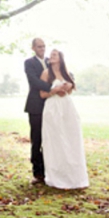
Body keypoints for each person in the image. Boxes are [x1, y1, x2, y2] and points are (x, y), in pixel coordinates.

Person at [40, 49, 89, 189]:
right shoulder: (46, 73)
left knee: (71, 139)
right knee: (55, 141)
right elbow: (42, 94)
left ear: (60, 58)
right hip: (52, 108)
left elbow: (72, 90)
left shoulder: (66, 73)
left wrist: (68, 87)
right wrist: (55, 90)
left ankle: (74, 177)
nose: (51, 56)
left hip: (67, 108)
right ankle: (57, 177)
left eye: (54, 55)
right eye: (51, 55)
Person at [23, 38, 68, 185]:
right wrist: (53, 89)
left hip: (53, 106)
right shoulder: (29, 63)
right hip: (36, 105)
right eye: (39, 47)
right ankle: (38, 173)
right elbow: (34, 81)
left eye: (43, 46)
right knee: (37, 139)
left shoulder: (52, 61)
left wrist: (64, 85)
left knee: (53, 138)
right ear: (33, 48)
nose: (42, 49)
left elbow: (65, 73)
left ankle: (52, 171)